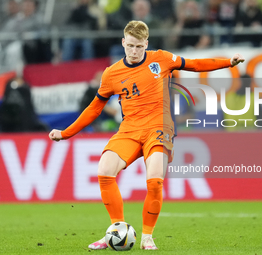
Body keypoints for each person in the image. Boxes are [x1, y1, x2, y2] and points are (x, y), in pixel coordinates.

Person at [49, 20, 245, 250]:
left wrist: (227, 63)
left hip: (159, 128)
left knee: (154, 180)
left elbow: (194, 64)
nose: (134, 51)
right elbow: (94, 108)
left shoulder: (161, 59)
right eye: (130, 45)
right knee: (104, 170)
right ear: (123, 42)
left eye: (139, 47)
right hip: (129, 129)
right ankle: (117, 230)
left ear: (146, 44)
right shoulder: (111, 74)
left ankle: (147, 237)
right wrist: (66, 133)